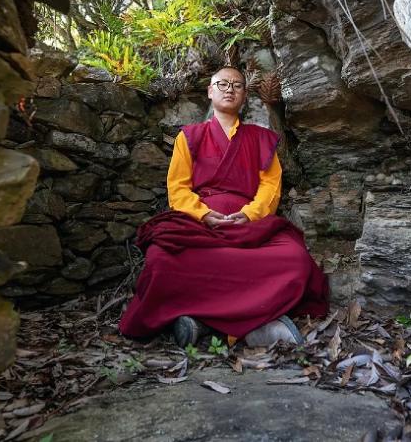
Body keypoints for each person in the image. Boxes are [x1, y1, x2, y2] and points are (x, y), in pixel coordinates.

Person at [118, 66, 329, 347]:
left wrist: (249, 213)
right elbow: (178, 188)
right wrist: (203, 214)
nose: (229, 89)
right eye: (222, 84)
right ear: (209, 91)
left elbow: (270, 187)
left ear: (244, 96)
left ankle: (205, 324)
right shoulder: (189, 137)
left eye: (237, 85)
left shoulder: (260, 138)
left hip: (249, 223)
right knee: (161, 261)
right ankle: (250, 324)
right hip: (200, 221)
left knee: (296, 260)